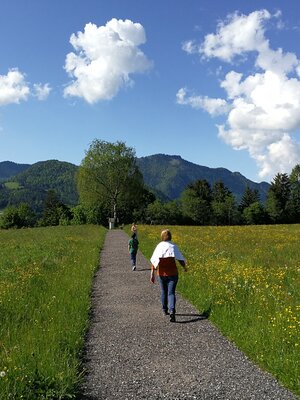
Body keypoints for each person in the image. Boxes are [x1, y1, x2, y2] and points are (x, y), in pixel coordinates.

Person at [150, 229, 187, 322]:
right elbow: (180, 259)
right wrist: (184, 267)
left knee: (163, 291)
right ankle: (172, 310)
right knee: (171, 293)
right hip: (173, 273)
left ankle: (164, 309)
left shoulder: (159, 246)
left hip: (161, 273)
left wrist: (152, 273)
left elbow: (154, 261)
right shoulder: (173, 246)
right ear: (170, 236)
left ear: (162, 237)